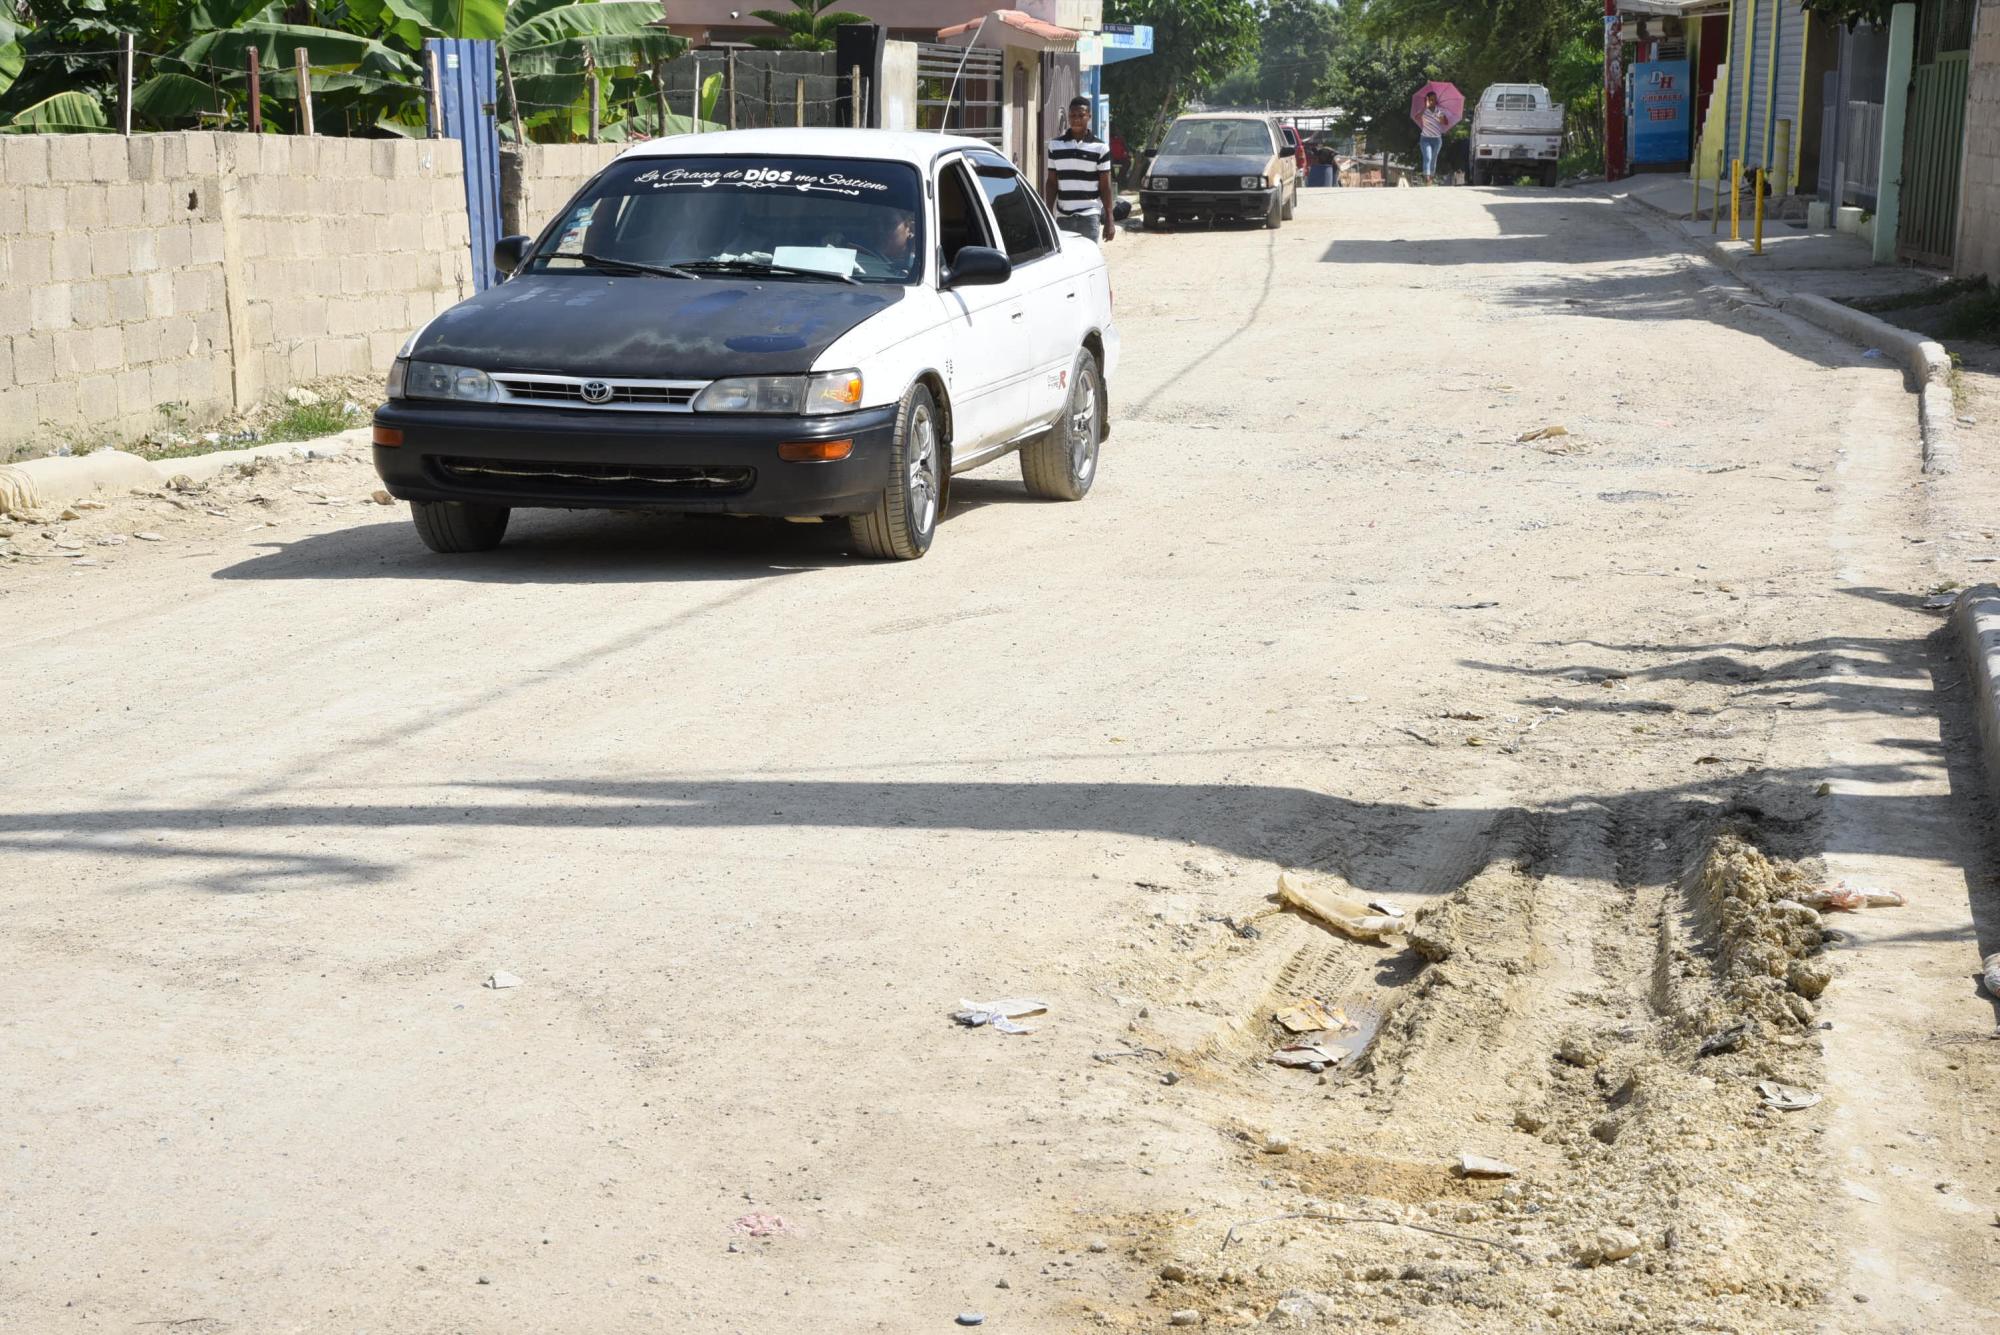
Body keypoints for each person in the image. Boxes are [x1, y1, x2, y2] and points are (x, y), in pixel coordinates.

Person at [1046, 96, 1115, 244]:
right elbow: (1052, 183)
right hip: (1063, 217)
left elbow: (1105, 186)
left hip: (1089, 217)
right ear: (1068, 117)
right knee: (1066, 264)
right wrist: (1048, 212)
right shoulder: (1055, 146)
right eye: (1072, 115)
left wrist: (1110, 218)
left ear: (1089, 116)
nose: (1076, 119)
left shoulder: (1101, 148)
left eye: (1081, 115)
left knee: (1088, 262)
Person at [1419, 91, 1447, 183]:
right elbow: (1417, 117)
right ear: (1427, 100)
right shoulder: (1424, 111)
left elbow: (1445, 123)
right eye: (1431, 99)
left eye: (1434, 99)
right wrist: (1425, 107)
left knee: (1434, 158)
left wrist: (1440, 118)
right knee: (1428, 157)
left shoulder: (1439, 111)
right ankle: (1427, 177)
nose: (1433, 101)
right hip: (1425, 139)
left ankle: (1431, 177)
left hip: (1437, 140)